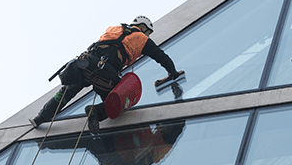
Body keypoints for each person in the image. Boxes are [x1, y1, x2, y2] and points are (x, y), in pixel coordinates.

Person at [30, 15, 180, 133]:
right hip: (106, 72)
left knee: (66, 92)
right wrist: (172, 73)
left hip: (86, 63)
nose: (148, 35)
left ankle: (40, 117)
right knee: (118, 100)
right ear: (142, 27)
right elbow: (162, 57)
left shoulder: (115, 28)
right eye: (147, 32)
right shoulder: (142, 39)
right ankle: (96, 111)